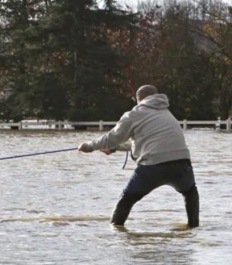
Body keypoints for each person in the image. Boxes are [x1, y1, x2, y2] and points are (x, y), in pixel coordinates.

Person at [78, 85, 199, 228]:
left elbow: (113, 137)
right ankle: (193, 228)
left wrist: (89, 146)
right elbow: (147, 141)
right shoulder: (167, 113)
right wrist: (115, 148)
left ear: (138, 99)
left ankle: (115, 231)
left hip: (152, 167)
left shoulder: (133, 114)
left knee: (126, 200)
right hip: (182, 165)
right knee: (190, 192)